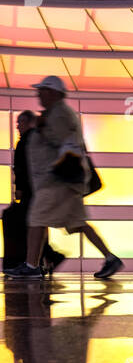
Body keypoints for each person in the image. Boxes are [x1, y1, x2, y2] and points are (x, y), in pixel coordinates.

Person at [9, 76, 123, 280]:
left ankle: (31, 266)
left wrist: (41, 127)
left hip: (56, 181)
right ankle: (110, 258)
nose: (38, 94)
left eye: (42, 91)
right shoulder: (57, 112)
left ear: (53, 93)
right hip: (64, 182)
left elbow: (59, 140)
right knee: (78, 222)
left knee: (36, 219)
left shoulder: (59, 114)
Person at [11, 110, 62, 272]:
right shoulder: (33, 139)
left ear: (29, 122)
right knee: (37, 224)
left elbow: (22, 168)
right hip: (36, 188)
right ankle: (46, 259)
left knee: (33, 224)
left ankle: (46, 258)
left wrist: (18, 188)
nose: (18, 126)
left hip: (30, 190)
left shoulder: (28, 141)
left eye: (21, 122)